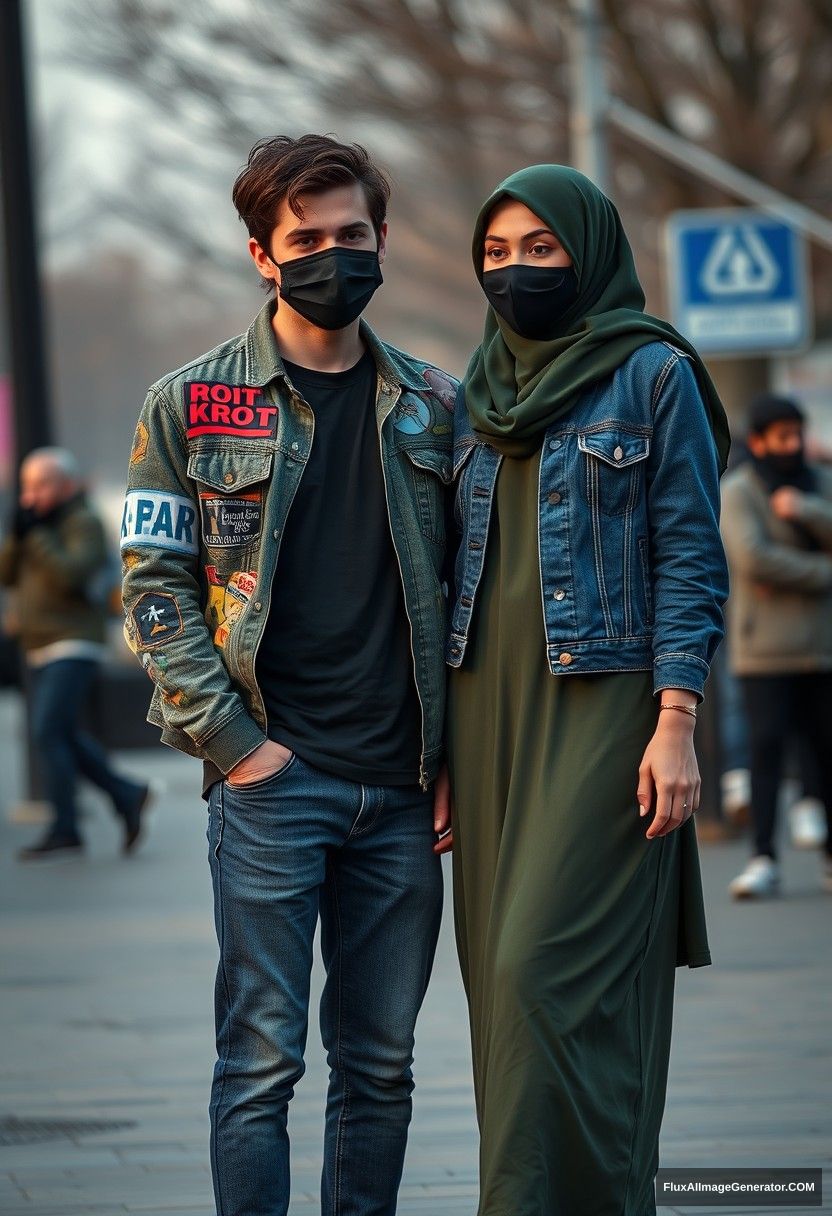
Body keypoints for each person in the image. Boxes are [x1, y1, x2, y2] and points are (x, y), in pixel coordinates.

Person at [121, 134, 456, 1216]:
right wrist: (235, 747)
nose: (331, 255)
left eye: (350, 235)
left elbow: (472, 600)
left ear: (383, 241)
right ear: (262, 255)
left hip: (404, 791)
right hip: (274, 782)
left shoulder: (434, 407)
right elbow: (154, 586)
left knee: (382, 1066)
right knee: (260, 1064)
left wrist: (456, 761)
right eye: (304, 240)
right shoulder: (187, 404)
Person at [445, 165, 730, 1216]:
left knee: (542, 980)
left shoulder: (654, 374)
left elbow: (691, 555)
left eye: (540, 248)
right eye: (497, 251)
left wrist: (676, 721)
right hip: (487, 722)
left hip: (608, 713)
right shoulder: (470, 395)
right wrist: (435, 752)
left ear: (591, 250)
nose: (514, 270)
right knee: (503, 1007)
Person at [0, 447, 150, 859]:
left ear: (66, 484)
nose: (34, 495)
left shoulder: (80, 521)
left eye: (43, 484)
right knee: (59, 732)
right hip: (38, 646)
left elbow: (72, 574)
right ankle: (126, 793)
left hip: (73, 642)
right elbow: (6, 574)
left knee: (49, 730)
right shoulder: (35, 526)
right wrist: (18, 534)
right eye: (28, 486)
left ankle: (66, 825)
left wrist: (40, 536)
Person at [722, 393, 832, 898]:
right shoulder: (740, 491)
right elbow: (753, 559)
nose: (792, 446)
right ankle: (763, 857)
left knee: (824, 751)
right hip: (763, 651)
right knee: (765, 753)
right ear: (761, 442)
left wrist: (807, 510)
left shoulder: (820, 487)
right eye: (781, 437)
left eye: (796, 435)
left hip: (821, 647)